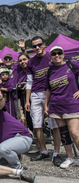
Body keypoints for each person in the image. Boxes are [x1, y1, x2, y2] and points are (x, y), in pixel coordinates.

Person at [25, 36, 61, 165]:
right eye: (34, 46)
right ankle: (44, 151)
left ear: (44, 44)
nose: (37, 47)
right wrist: (27, 100)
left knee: (54, 124)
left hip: (50, 93)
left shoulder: (51, 57)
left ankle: (56, 152)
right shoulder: (31, 62)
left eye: (39, 44)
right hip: (35, 93)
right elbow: (29, 82)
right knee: (37, 124)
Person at [45, 46, 79, 169]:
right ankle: (70, 158)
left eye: (59, 53)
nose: (57, 55)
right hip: (56, 105)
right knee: (64, 134)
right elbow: (48, 89)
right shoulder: (50, 70)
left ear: (63, 54)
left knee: (74, 133)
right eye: (54, 54)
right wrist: (45, 105)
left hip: (71, 104)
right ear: (51, 57)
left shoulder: (72, 65)